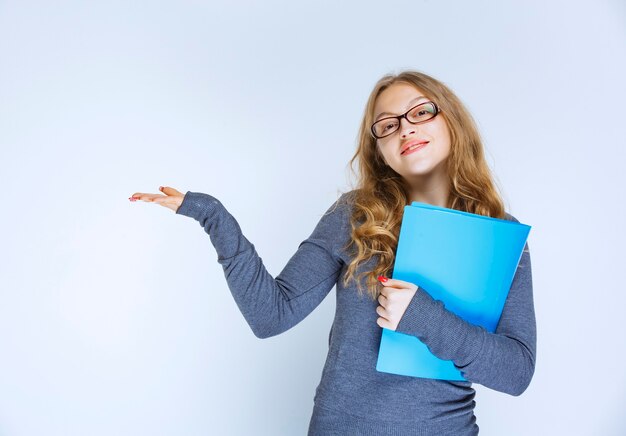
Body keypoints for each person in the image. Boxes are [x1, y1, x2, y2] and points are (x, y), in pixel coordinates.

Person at [129, 70, 536, 435]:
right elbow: (272, 314)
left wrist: (424, 317)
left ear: (452, 120)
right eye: (388, 125)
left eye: (421, 112)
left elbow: (516, 373)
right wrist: (214, 217)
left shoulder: (503, 235)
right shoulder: (355, 215)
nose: (405, 130)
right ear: (380, 150)